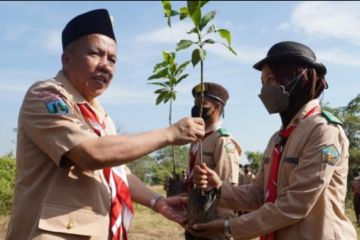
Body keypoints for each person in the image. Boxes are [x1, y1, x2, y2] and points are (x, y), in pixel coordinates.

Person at [5, 9, 205, 240]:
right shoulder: (46, 96)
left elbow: (117, 173)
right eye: (95, 54)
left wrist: (157, 202)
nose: (106, 66)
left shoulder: (99, 113)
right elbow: (90, 154)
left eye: (112, 59)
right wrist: (171, 133)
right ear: (67, 59)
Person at [189, 41, 357, 240]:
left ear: (295, 79)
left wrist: (228, 226)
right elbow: (258, 194)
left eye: (271, 79)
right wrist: (218, 187)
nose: (264, 89)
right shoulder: (278, 138)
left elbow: (296, 204)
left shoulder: (324, 131)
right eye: (263, 82)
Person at [185, 82, 242, 240]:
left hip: (213, 226)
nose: (197, 108)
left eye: (202, 104)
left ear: (217, 107)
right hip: (196, 218)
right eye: (195, 104)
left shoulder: (222, 141)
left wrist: (221, 227)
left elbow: (228, 186)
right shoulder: (197, 140)